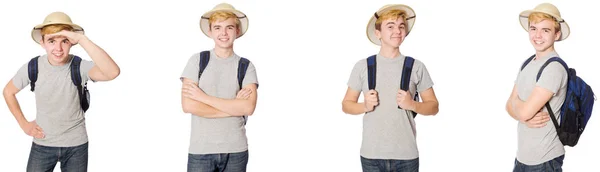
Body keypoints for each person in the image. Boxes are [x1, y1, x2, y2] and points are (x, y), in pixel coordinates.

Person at [3, 11, 120, 172]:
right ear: (42, 42)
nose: (58, 48)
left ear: (72, 43)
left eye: (64, 41)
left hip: (76, 146)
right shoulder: (33, 67)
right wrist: (24, 124)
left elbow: (112, 72)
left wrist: (82, 39)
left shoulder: (79, 66)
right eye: (51, 41)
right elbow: (8, 92)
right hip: (42, 144)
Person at [342, 4, 439, 172]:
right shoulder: (363, 66)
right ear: (378, 33)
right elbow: (346, 105)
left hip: (406, 156)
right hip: (371, 155)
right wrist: (364, 106)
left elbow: (434, 107)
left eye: (402, 26)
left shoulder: (416, 67)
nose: (398, 31)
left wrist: (412, 104)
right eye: (390, 26)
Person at [180, 3, 258, 172]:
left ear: (237, 31)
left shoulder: (246, 66)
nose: (223, 33)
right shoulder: (197, 61)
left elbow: (248, 107)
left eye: (229, 27)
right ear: (210, 32)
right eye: (217, 27)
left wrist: (203, 98)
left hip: (236, 149)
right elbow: (188, 106)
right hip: (201, 150)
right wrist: (233, 107)